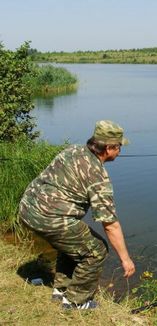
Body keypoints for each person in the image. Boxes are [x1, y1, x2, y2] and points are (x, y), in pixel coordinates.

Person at [19, 120, 135, 310]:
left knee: (73, 242)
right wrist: (125, 259)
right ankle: (75, 301)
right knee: (96, 250)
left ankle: (62, 288)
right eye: (119, 147)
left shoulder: (73, 150)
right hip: (48, 217)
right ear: (109, 148)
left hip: (27, 209)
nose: (120, 151)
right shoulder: (98, 178)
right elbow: (110, 224)